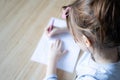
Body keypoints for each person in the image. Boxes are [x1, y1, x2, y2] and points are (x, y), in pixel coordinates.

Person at [44, 0, 120, 80]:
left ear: (87, 41)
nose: (74, 38)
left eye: (75, 37)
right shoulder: (115, 37)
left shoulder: (91, 77)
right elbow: (101, 28)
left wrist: (52, 60)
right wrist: (66, 29)